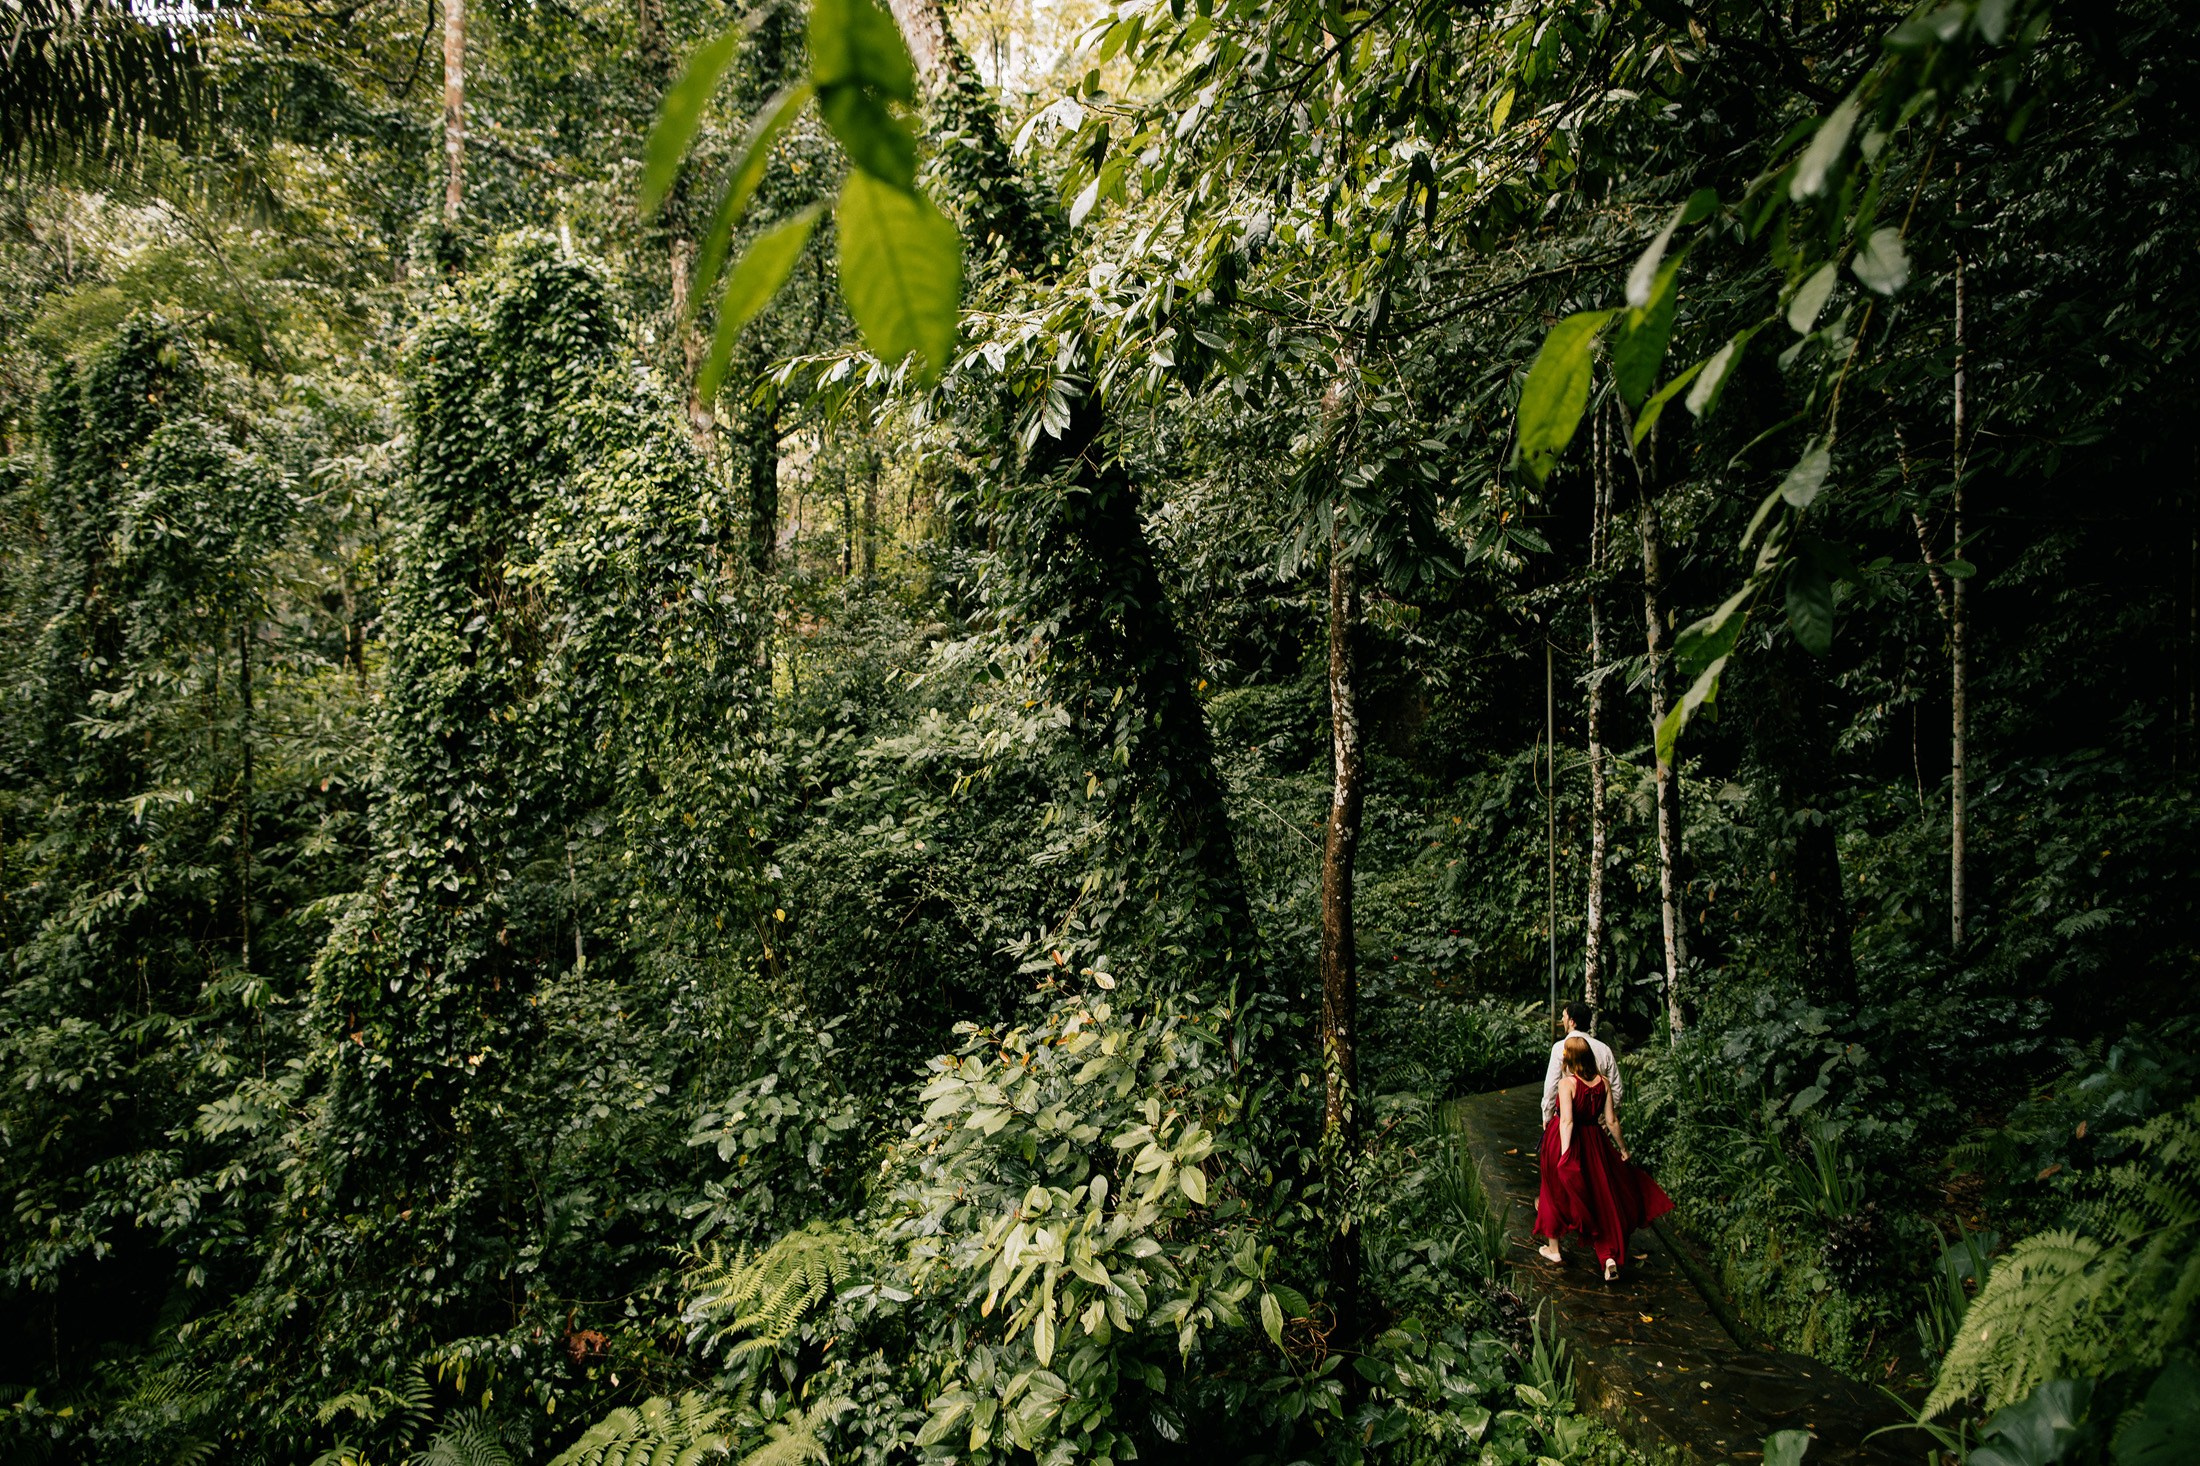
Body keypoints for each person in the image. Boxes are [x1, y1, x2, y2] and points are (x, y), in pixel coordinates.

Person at [1534, 1035, 1673, 1281]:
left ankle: (1554, 1249)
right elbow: (1611, 1121)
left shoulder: (1567, 1084)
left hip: (1566, 1141)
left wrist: (1566, 1155)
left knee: (1553, 1191)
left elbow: (1566, 1121)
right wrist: (1623, 1148)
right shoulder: (1604, 1083)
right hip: (1595, 1142)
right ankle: (1608, 1257)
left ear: (1569, 1058)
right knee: (1602, 1198)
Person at [1540, 1001, 1619, 1126]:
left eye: (1564, 1016)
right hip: (1595, 1123)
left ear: (1572, 1021)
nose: (1562, 1020)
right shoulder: (1604, 1049)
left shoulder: (1560, 1048)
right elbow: (1615, 1088)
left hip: (1566, 1121)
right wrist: (1605, 1118)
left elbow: (1552, 1086)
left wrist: (1547, 1116)